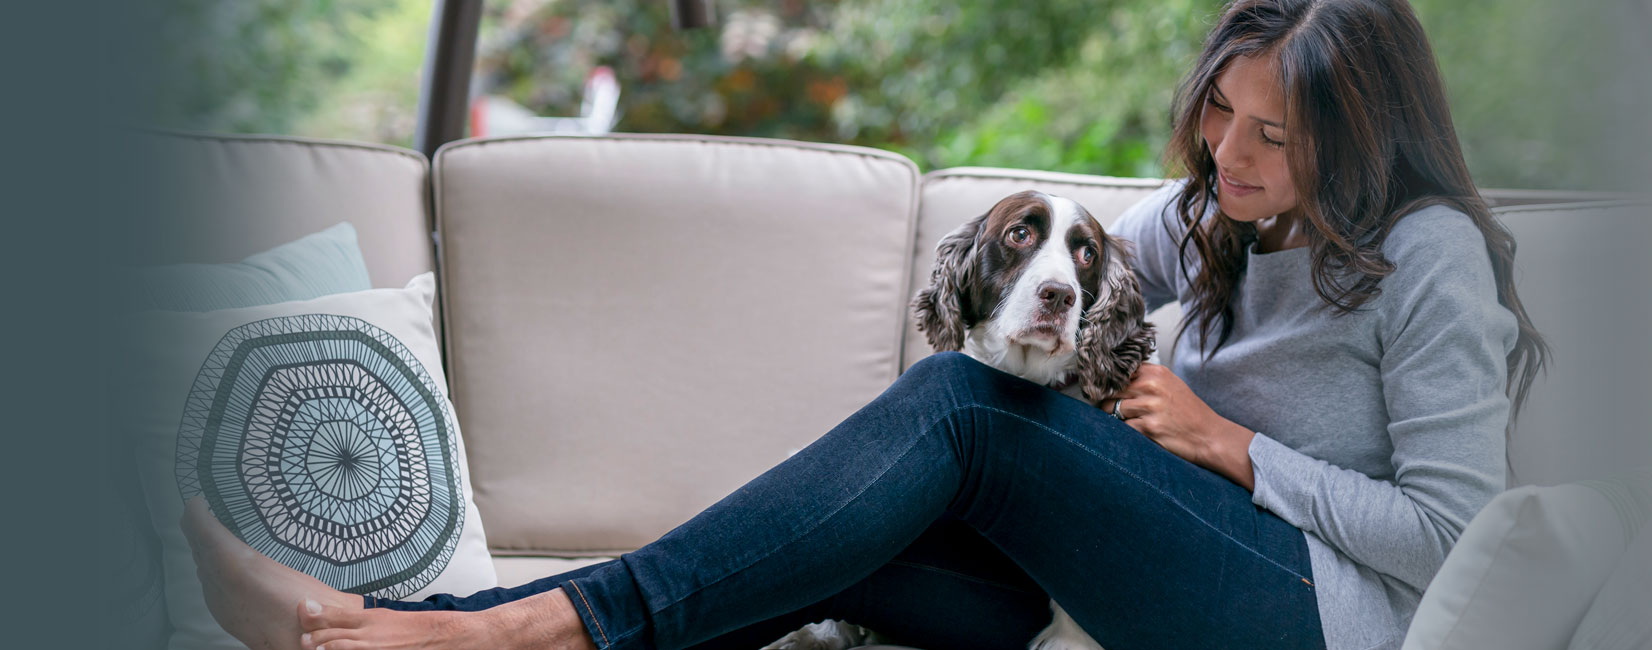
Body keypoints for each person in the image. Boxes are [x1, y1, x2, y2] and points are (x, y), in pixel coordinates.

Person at [183, 1, 1547, 649]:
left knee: (962, 412)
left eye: (1272, 135)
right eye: (1218, 114)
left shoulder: (1425, 260)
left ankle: (492, 633)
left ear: (1360, 137)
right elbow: (1063, 283)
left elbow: (1452, 534)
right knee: (836, 534)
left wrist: (1234, 448)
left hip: (1311, 618)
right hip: (1137, 581)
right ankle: (391, 622)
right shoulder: (1218, 214)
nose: (1228, 152)